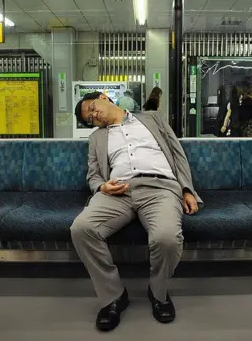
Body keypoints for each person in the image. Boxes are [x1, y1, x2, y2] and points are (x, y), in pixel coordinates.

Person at [72, 91, 201, 332]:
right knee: (82, 229)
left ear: (103, 97)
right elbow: (93, 174)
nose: (93, 116)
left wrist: (187, 189)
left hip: (160, 188)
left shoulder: (153, 119)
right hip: (117, 192)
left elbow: (177, 154)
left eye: (91, 108)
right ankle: (113, 297)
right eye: (89, 119)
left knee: (166, 239)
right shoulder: (97, 138)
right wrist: (102, 186)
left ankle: (158, 291)